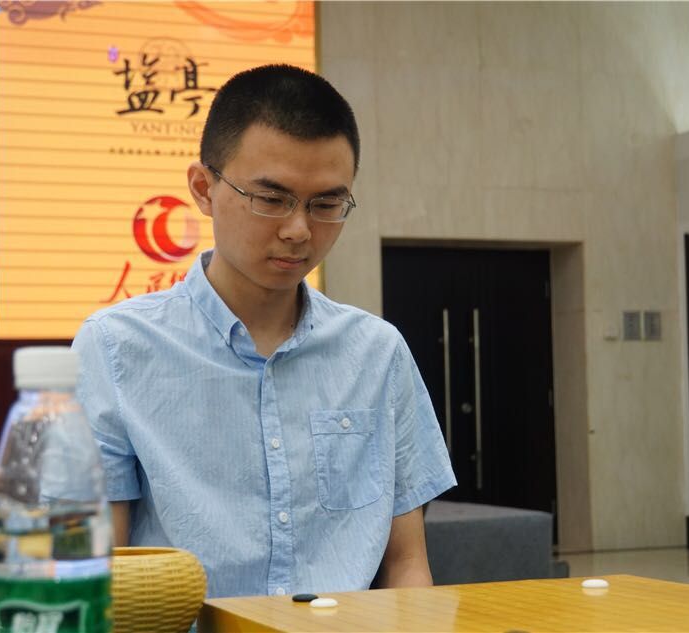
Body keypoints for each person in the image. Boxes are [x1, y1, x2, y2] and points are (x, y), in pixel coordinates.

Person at [73, 64, 456, 599]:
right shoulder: (116, 348)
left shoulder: (377, 352)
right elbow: (96, 575)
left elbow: (407, 564)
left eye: (327, 204)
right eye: (271, 199)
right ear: (203, 188)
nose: (299, 230)